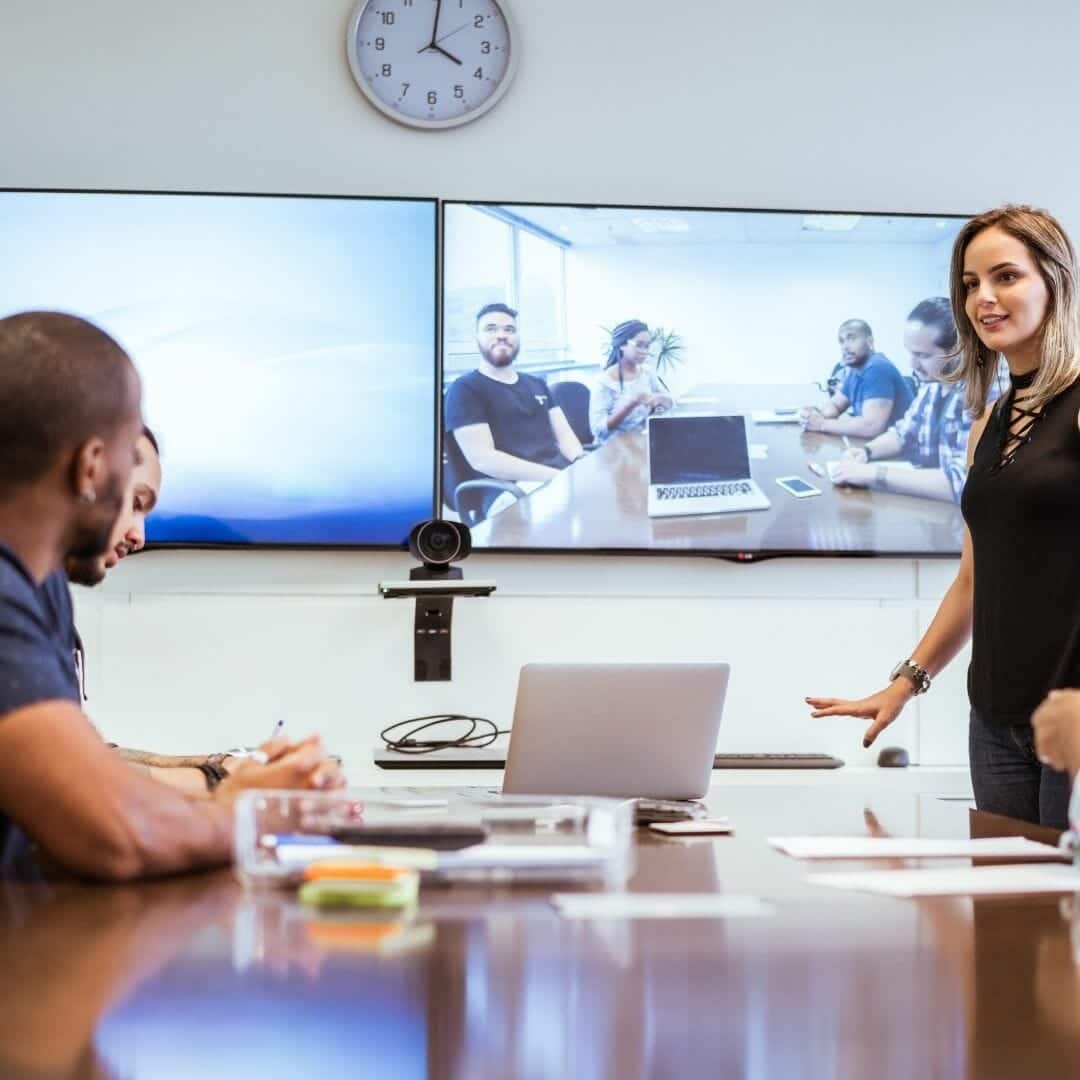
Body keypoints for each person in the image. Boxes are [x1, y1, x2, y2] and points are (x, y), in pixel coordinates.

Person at [0, 311, 342, 880]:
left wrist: (232, 786)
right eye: (130, 487)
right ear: (92, 466)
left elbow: (85, 775)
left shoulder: (36, 592)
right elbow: (113, 831)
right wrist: (248, 814)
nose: (137, 530)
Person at [806, 205, 1080, 828]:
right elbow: (972, 579)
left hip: (1073, 718)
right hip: (996, 721)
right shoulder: (990, 421)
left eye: (1006, 276)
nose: (984, 298)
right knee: (1007, 920)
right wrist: (904, 684)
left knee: (1065, 920)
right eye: (970, 283)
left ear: (1055, 281)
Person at [830, 298, 998, 502]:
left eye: (923, 355)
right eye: (911, 353)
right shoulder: (933, 386)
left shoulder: (987, 392)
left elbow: (965, 481)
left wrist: (873, 473)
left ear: (959, 350)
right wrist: (866, 452)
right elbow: (903, 433)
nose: (912, 364)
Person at [444, 303, 584, 489]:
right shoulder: (465, 389)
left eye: (509, 329)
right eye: (490, 329)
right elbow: (484, 460)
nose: (501, 335)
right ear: (476, 338)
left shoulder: (537, 384)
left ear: (517, 337)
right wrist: (557, 477)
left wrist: (580, 460)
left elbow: (565, 436)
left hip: (554, 477)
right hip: (507, 487)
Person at [800, 319, 914, 438]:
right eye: (842, 341)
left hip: (901, 451)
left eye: (851, 338)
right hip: (878, 445)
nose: (845, 346)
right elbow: (836, 405)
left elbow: (871, 427)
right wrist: (815, 415)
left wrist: (822, 424)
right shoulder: (856, 371)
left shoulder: (877, 368)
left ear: (870, 342)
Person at [589, 319, 673, 443]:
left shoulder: (647, 373)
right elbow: (598, 430)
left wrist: (660, 399)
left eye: (647, 346)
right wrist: (630, 404)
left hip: (642, 442)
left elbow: (671, 403)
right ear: (622, 345)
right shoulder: (603, 382)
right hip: (614, 449)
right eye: (639, 345)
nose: (644, 351)